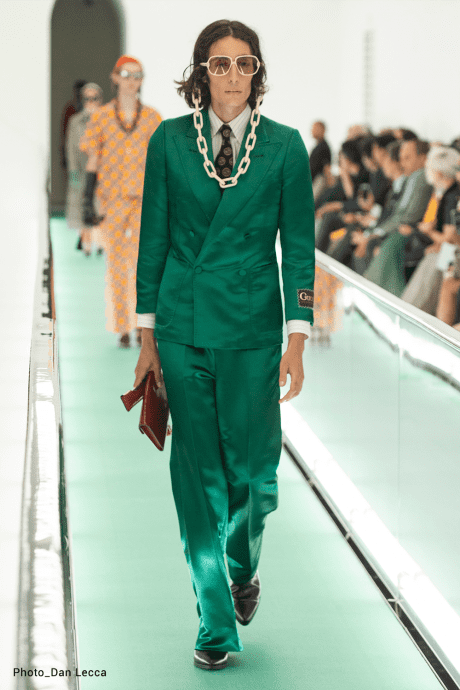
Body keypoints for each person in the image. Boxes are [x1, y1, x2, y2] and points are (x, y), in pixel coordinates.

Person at [133, 19, 315, 671]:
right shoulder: (169, 141)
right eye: (219, 64)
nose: (232, 75)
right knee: (196, 473)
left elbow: (299, 246)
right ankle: (214, 620)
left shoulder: (285, 146)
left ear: (257, 72)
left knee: (255, 476)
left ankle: (242, 565)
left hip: (253, 328)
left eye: (244, 63)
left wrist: (298, 337)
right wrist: (146, 335)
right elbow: (153, 238)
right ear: (200, 74)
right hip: (182, 324)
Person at [79, 55, 162, 348]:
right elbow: (93, 159)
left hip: (144, 200)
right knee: (115, 260)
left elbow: (160, 163)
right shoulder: (101, 117)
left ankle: (142, 325)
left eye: (137, 75)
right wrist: (87, 199)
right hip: (111, 199)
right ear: (115, 77)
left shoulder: (152, 118)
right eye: (126, 74)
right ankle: (122, 325)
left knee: (144, 262)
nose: (131, 81)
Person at [363, 139, 432, 295]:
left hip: (411, 232)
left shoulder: (420, 177)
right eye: (401, 158)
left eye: (407, 158)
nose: (402, 163)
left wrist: (377, 232)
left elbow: (409, 216)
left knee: (376, 245)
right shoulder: (413, 178)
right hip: (403, 229)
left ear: (422, 158)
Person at [401, 146, 460, 314]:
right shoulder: (445, 195)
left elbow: (449, 238)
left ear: (439, 173)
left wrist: (429, 232)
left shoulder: (451, 198)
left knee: (438, 260)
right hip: (451, 248)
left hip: (452, 251)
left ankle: (414, 310)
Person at [65, 82, 103, 255]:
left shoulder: (107, 120)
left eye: (94, 98)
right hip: (82, 172)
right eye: (87, 98)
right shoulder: (75, 122)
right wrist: (73, 171)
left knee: (101, 206)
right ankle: (86, 244)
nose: (91, 102)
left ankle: (100, 244)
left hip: (103, 172)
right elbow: (71, 148)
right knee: (83, 206)